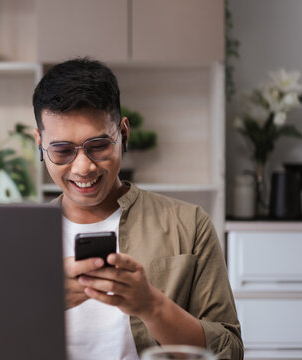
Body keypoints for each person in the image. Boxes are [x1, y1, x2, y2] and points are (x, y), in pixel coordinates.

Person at [32, 58, 243, 360]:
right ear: (39, 144)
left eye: (99, 145)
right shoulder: (20, 240)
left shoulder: (189, 225)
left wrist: (151, 305)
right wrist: (39, 303)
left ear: (123, 134)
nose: (83, 167)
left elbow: (230, 352)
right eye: (62, 150)